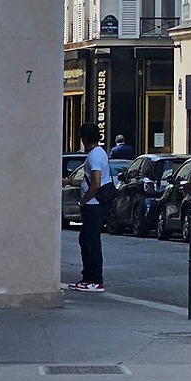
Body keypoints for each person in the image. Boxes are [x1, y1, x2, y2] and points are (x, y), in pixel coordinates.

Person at [73, 122, 113, 291]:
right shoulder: (100, 153)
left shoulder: (94, 156)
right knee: (86, 239)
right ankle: (88, 277)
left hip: (92, 205)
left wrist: (83, 201)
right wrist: (70, 182)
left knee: (91, 242)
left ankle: (95, 280)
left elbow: (96, 183)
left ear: (84, 138)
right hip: (94, 204)